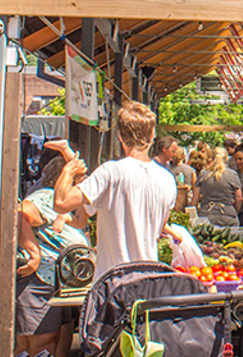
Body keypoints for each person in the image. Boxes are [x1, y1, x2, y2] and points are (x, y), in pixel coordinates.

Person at [51, 100, 178, 280]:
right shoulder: (168, 180)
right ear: (151, 135)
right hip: (148, 282)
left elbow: (62, 202)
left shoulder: (111, 172)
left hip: (113, 283)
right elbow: (159, 230)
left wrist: (68, 170)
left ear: (119, 136)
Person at [14, 147, 90, 357]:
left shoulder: (64, 203)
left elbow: (80, 220)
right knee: (39, 344)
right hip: (39, 280)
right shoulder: (44, 198)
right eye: (79, 178)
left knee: (48, 342)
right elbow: (20, 213)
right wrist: (32, 252)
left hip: (55, 282)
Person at [197, 146, 243, 226]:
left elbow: (195, 197)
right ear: (226, 159)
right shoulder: (233, 174)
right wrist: (234, 211)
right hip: (228, 215)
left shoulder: (203, 174)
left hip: (207, 214)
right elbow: (238, 199)